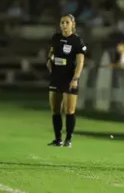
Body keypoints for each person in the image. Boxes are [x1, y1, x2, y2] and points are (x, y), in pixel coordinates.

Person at [46, 14, 86, 148]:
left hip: (69, 78)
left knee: (69, 110)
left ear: (73, 24)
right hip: (56, 77)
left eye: (67, 22)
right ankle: (58, 139)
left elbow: (80, 62)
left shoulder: (77, 41)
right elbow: (51, 53)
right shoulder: (56, 38)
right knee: (55, 109)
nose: (64, 25)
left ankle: (68, 139)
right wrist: (49, 61)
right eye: (62, 22)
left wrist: (75, 78)